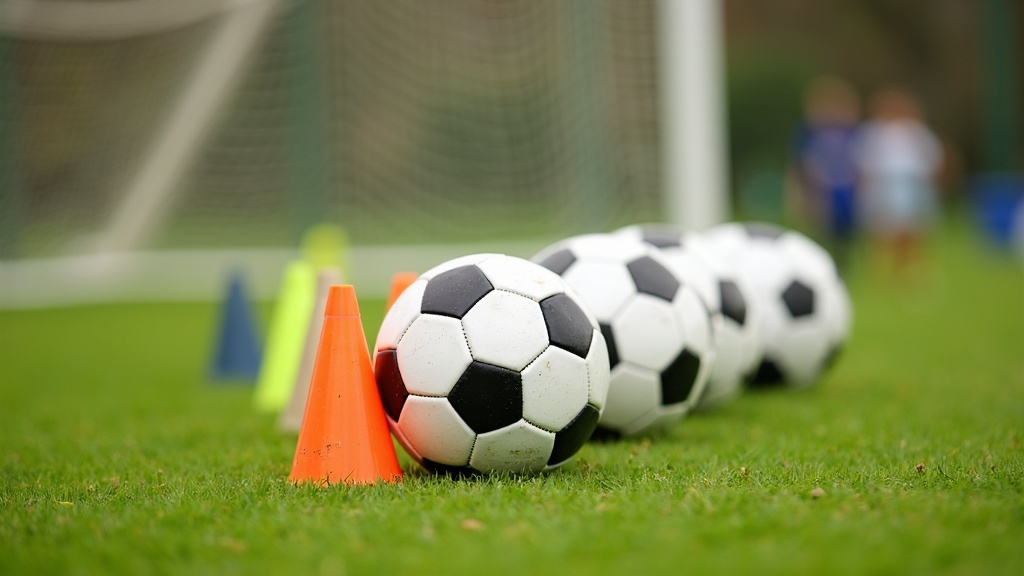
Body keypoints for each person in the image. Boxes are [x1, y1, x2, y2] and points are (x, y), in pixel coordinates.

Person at [856, 86, 942, 281]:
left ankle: (910, 270)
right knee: (880, 232)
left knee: (913, 231)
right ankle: (881, 273)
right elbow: (865, 162)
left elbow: (931, 159)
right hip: (883, 184)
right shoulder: (873, 132)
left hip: (913, 184)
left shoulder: (918, 132)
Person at [791, 76, 862, 269]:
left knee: (845, 234)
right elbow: (800, 163)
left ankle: (843, 266)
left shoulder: (853, 133)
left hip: (846, 191)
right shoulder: (807, 133)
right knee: (821, 232)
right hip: (820, 191)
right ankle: (819, 266)